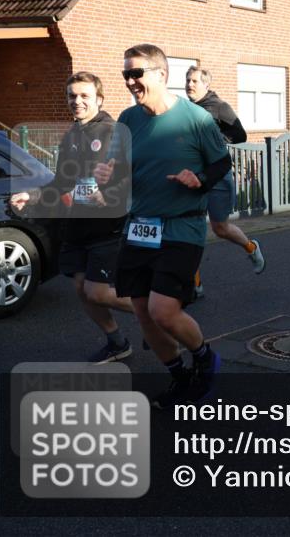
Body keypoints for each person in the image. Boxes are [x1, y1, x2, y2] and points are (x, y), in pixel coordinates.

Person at [94, 43, 229, 408]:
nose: (130, 81)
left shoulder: (196, 119)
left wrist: (199, 179)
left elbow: (222, 163)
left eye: (136, 73)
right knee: (142, 312)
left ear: (161, 74)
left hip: (181, 228)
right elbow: (116, 172)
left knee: (162, 309)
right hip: (139, 227)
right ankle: (180, 377)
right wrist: (108, 174)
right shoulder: (128, 120)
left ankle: (203, 357)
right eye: (126, 75)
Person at [11, 72, 134, 363]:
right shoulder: (71, 135)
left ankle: (159, 313)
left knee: (98, 292)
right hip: (77, 226)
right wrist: (33, 196)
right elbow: (62, 184)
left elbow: (130, 176)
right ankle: (117, 342)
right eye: (72, 96)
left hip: (107, 226)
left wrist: (110, 193)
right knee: (82, 289)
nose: (76, 101)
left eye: (84, 96)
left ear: (99, 99)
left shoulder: (113, 132)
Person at [185, 67, 265, 301]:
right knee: (192, 229)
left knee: (221, 228)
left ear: (206, 85)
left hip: (218, 176)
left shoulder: (219, 106)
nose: (190, 84)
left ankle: (252, 248)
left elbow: (240, 134)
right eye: (187, 80)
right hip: (194, 177)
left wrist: (216, 140)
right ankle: (194, 283)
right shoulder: (185, 109)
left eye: (195, 81)